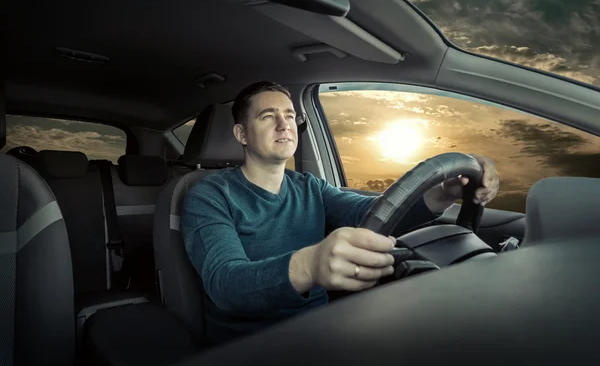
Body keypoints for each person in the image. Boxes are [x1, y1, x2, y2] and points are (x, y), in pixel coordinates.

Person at [181, 81, 500, 346]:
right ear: (241, 135)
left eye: (290, 116)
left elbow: (373, 214)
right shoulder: (209, 195)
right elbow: (226, 283)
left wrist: (443, 191)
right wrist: (309, 265)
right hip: (251, 346)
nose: (284, 125)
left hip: (324, 330)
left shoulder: (310, 187)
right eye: (267, 116)